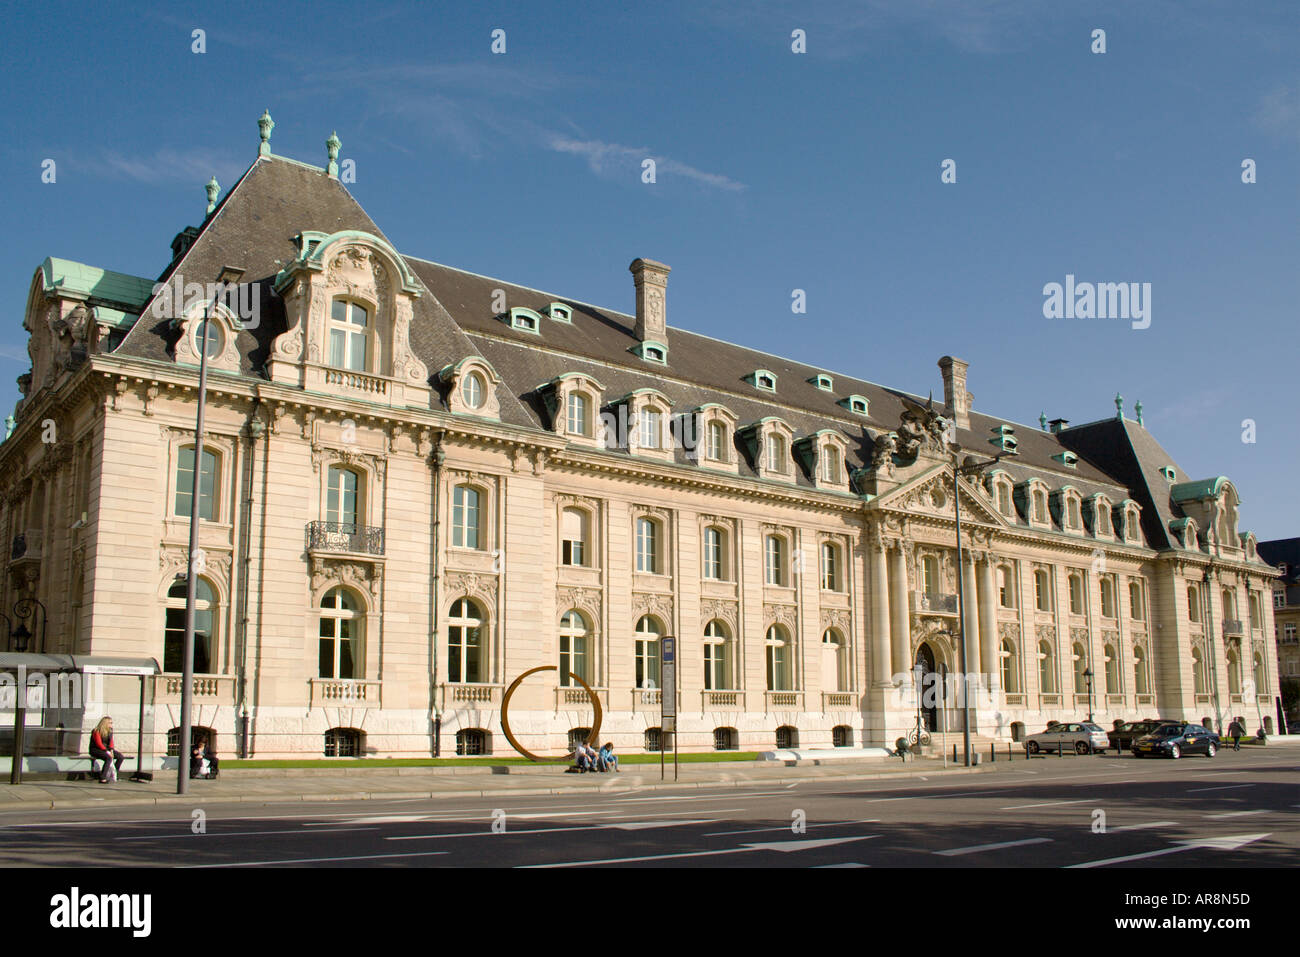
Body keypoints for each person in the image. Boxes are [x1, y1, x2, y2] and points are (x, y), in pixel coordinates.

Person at [89, 716, 127, 783]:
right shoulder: (96, 731)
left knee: (120, 757)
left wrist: (111, 750)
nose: (111, 724)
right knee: (108, 758)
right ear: (105, 723)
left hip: (107, 749)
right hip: (96, 749)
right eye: (110, 723)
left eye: (111, 723)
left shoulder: (110, 730)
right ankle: (102, 777)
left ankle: (113, 773)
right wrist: (107, 751)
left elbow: (111, 742)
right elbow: (99, 743)